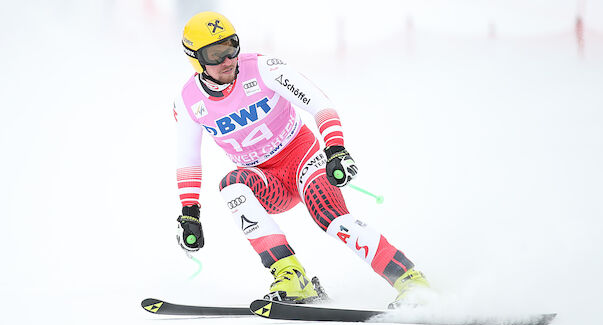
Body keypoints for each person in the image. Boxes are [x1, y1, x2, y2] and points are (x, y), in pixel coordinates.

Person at [173, 11, 429, 307]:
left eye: (231, 48)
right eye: (215, 55)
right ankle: (292, 277)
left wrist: (335, 149)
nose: (228, 60)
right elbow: (188, 158)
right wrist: (189, 211)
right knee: (231, 185)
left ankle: (411, 281)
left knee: (329, 217)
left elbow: (320, 103)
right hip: (268, 182)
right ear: (196, 59)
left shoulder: (263, 68)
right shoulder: (188, 100)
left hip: (303, 160)